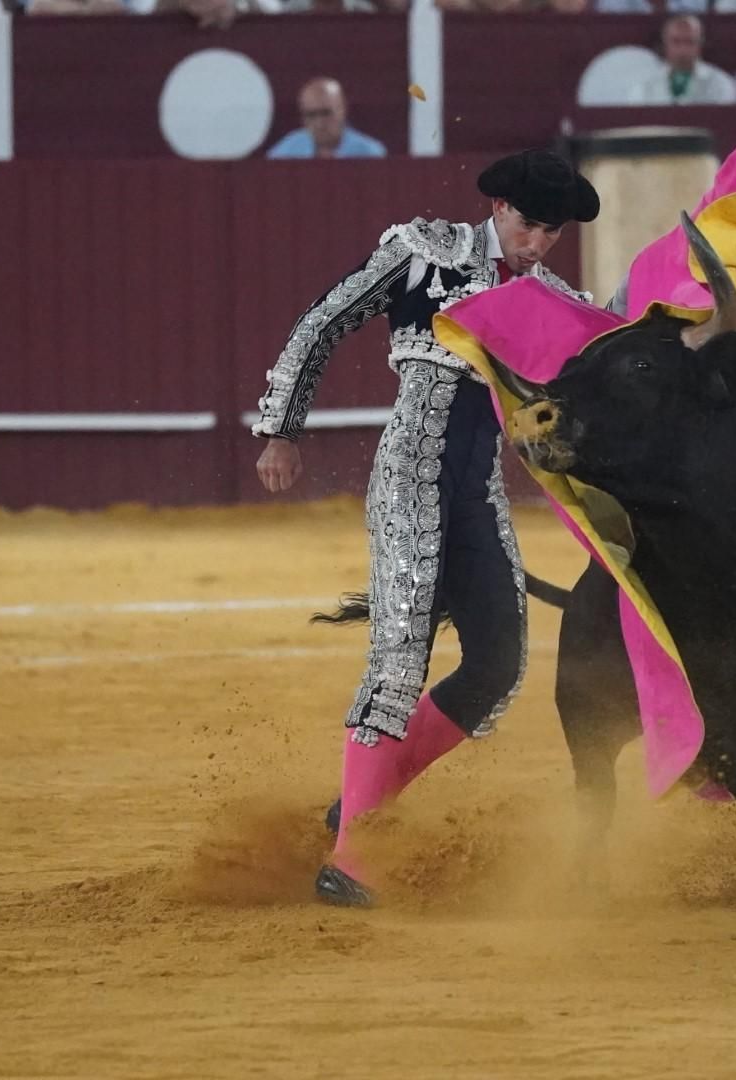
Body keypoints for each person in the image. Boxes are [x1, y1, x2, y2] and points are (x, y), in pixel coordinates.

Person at [251, 151, 598, 908]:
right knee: (399, 660)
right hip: (410, 479)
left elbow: (597, 383)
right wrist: (282, 428)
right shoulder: (424, 251)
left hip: (477, 492)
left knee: (499, 663)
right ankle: (350, 861)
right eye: (527, 224)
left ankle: (359, 807)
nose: (536, 243)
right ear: (499, 207)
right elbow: (322, 322)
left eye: (551, 231)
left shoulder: (552, 301)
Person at [266, 77, 386, 160]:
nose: (319, 123)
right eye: (311, 115)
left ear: (343, 110)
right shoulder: (285, 152)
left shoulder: (370, 153)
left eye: (326, 113)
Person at [627, 14, 736, 106]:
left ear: (700, 44)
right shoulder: (644, 82)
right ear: (664, 43)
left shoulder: (720, 82)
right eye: (676, 41)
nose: (683, 49)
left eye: (690, 42)